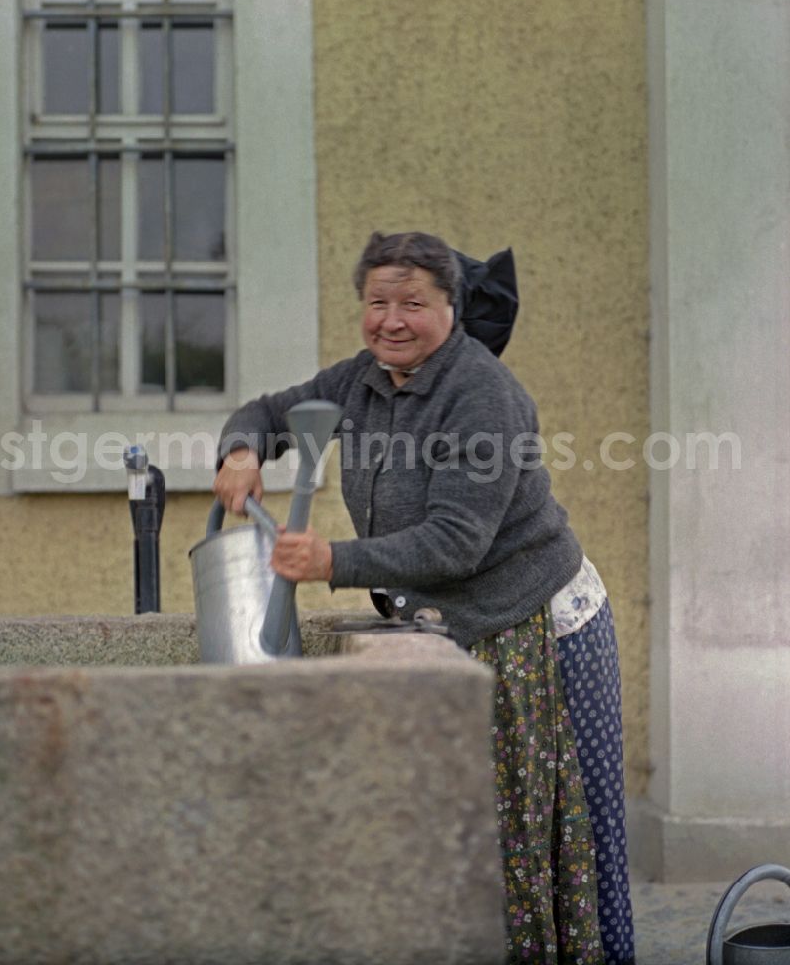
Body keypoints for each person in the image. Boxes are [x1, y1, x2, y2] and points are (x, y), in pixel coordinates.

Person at [213, 230, 634, 965]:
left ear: (452, 309)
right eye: (378, 302)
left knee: (556, 839)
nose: (392, 320)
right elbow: (270, 411)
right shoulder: (363, 380)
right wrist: (242, 451)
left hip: (538, 626)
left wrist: (331, 560)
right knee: (469, 836)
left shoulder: (484, 396)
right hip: (449, 626)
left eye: (414, 302)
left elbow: (455, 544)